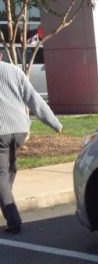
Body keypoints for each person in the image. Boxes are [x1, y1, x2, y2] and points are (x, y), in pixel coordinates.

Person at [0, 55, 62, 234]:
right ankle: (5, 197)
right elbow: (34, 99)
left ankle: (14, 221)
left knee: (2, 175)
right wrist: (55, 123)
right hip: (19, 130)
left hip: (1, 132)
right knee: (10, 169)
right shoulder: (14, 70)